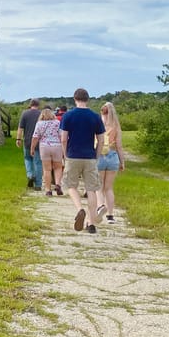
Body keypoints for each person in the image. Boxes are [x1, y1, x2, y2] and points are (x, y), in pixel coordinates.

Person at [60, 88, 105, 233]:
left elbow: (63, 139)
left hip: (73, 155)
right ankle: (91, 224)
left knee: (70, 185)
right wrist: (96, 155)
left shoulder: (68, 115)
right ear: (88, 99)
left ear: (75, 99)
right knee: (91, 189)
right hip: (90, 156)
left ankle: (80, 209)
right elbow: (101, 139)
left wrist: (65, 155)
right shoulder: (95, 116)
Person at [96, 102, 125, 224]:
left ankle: (100, 206)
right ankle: (110, 215)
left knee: (99, 186)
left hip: (100, 156)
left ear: (102, 111)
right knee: (109, 188)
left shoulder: (98, 124)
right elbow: (119, 146)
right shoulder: (116, 127)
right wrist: (122, 161)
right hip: (113, 156)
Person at [30, 107, 64, 196]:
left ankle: (48, 190)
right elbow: (62, 136)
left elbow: (35, 137)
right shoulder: (57, 123)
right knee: (58, 167)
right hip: (57, 146)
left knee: (47, 169)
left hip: (44, 146)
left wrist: (32, 148)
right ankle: (58, 184)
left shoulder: (39, 124)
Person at [16, 99, 42, 190]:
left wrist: (18, 139)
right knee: (38, 162)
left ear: (30, 105)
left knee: (27, 159)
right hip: (38, 142)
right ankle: (38, 184)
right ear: (38, 105)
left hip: (27, 141)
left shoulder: (25, 113)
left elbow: (20, 128)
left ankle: (30, 175)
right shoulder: (41, 114)